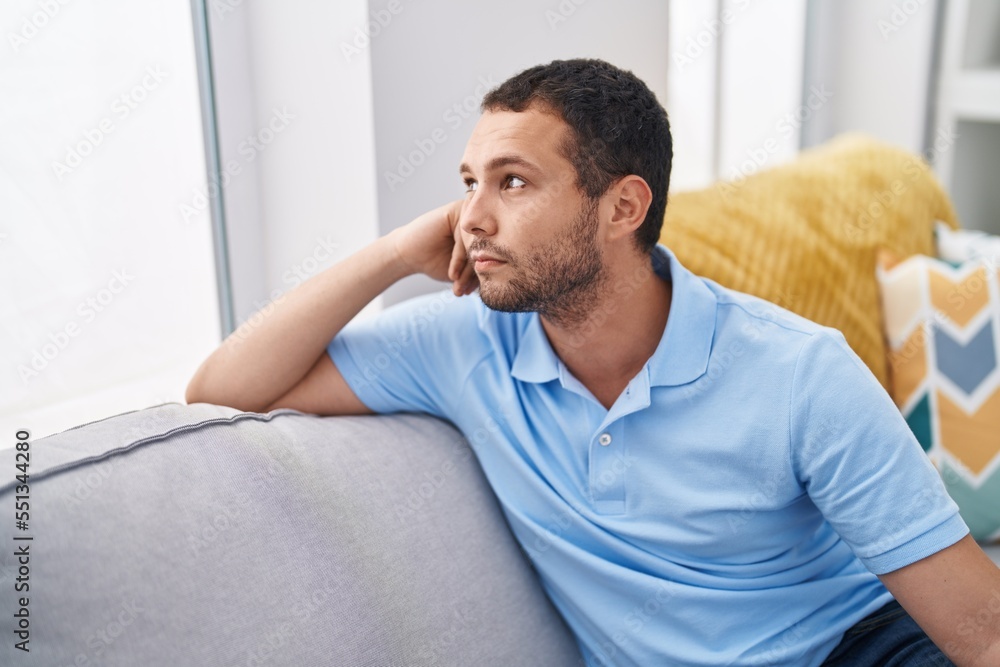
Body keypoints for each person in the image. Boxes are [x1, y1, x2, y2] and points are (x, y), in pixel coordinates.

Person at [186, 59, 1000, 666]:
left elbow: (977, 623)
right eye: (468, 183)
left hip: (858, 647)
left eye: (513, 182)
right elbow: (221, 387)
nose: (472, 218)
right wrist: (396, 253)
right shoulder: (462, 344)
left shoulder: (801, 374)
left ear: (623, 207)